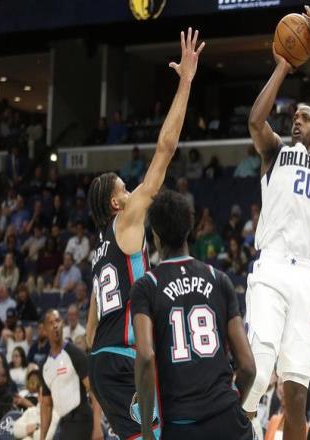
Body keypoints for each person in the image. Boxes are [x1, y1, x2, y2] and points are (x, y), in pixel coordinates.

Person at [86, 28, 205, 440]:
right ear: (116, 203)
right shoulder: (127, 220)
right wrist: (186, 82)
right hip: (123, 359)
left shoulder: (100, 247)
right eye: (125, 188)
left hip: (103, 361)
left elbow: (91, 321)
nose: (132, 191)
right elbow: (165, 149)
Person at [242, 8, 310, 438]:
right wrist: (283, 65)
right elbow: (254, 120)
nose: (297, 119)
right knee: (258, 372)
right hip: (272, 266)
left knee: (297, 395)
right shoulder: (275, 151)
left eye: (305, 117)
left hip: (304, 278)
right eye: (295, 116)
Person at [130, 189, 255, 440]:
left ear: (155, 236)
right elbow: (248, 368)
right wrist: (230, 406)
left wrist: (146, 430)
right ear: (189, 229)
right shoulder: (219, 279)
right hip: (228, 419)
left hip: (181, 425)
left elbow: (145, 356)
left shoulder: (146, 287)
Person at [40, 309, 99, 440]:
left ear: (62, 324)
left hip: (81, 418)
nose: (55, 325)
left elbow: (94, 391)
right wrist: (42, 438)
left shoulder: (75, 354)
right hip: (64, 422)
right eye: (51, 323)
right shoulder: (44, 365)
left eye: (57, 321)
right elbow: (46, 405)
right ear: (44, 330)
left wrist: (97, 427)